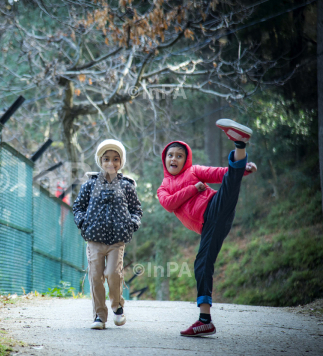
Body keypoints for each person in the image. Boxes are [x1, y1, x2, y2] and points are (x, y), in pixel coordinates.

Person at [157, 119, 258, 337]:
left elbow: (219, 173)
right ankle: (205, 321)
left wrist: (244, 170)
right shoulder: (163, 188)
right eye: (170, 155)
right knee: (202, 264)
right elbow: (169, 203)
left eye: (179, 155)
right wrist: (194, 189)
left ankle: (239, 145)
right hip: (209, 227)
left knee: (231, 182)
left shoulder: (194, 170)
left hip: (215, 207)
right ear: (165, 160)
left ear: (186, 159)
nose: (174, 158)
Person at [72, 139, 142, 330]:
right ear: (100, 161)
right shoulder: (89, 185)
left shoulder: (127, 186)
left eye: (116, 159)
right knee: (95, 276)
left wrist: (132, 224)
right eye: (106, 159)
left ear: (121, 162)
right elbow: (78, 207)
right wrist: (83, 222)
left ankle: (117, 307)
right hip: (94, 239)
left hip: (116, 240)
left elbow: (136, 209)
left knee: (113, 273)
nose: (111, 163)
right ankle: (99, 317)